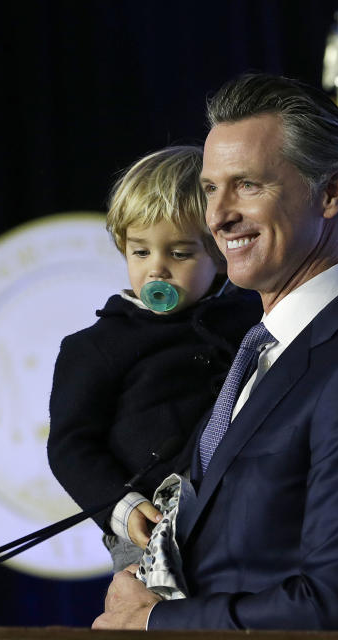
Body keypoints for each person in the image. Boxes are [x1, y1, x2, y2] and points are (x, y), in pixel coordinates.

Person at [92, 74, 338, 640]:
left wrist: (156, 621)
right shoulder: (258, 352)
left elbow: (337, 614)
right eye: (211, 188)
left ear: (331, 192)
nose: (218, 215)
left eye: (247, 186)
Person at [47, 145, 261, 571]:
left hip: (240, 517)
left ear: (219, 256)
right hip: (148, 528)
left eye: (179, 253)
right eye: (141, 252)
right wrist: (123, 509)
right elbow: (70, 446)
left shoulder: (251, 319)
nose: (156, 270)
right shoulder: (95, 346)